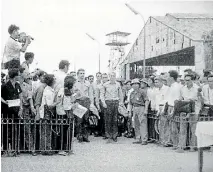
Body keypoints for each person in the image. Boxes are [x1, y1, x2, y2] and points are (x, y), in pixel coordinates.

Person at [176, 74, 200, 153]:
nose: (187, 82)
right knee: (182, 129)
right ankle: (182, 146)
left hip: (194, 111)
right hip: (184, 110)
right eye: (185, 80)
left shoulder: (197, 88)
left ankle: (192, 147)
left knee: (193, 130)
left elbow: (198, 100)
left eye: (188, 80)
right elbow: (181, 98)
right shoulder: (182, 89)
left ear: (192, 80)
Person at [1, 69, 23, 156]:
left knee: (15, 129)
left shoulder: (17, 85)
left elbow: (20, 96)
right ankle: (5, 149)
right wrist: (4, 102)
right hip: (7, 110)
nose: (19, 76)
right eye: (18, 74)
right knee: (6, 130)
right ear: (15, 76)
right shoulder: (5, 86)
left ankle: (14, 148)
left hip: (16, 110)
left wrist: (21, 108)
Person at [55, 75, 77, 156]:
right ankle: (61, 149)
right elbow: (65, 104)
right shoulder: (64, 91)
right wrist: (73, 105)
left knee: (67, 132)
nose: (75, 86)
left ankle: (67, 148)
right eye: (74, 84)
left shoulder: (68, 91)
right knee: (62, 132)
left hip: (65, 113)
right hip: (63, 113)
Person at [39, 74, 60, 155]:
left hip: (46, 113)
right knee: (46, 131)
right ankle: (45, 149)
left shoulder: (50, 89)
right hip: (46, 113)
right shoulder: (48, 91)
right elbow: (49, 105)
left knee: (46, 131)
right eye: (54, 79)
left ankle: (45, 148)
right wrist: (57, 102)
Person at [100, 72, 123, 143]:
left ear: (115, 77)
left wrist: (121, 103)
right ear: (109, 77)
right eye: (111, 76)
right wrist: (103, 103)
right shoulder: (105, 85)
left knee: (115, 120)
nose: (112, 77)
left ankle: (114, 135)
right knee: (108, 120)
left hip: (115, 102)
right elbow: (102, 94)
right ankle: (109, 136)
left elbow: (120, 94)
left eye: (113, 76)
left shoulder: (118, 84)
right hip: (108, 102)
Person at [73, 68, 94, 142]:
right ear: (77, 74)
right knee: (79, 120)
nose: (82, 75)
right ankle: (79, 136)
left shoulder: (88, 83)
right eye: (80, 73)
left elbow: (91, 94)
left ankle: (85, 136)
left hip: (86, 101)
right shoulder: (75, 83)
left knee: (86, 119)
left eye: (83, 73)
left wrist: (91, 103)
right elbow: (73, 94)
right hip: (78, 101)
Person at [19, 73, 37, 156]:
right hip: (19, 109)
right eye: (28, 78)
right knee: (20, 129)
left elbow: (30, 98)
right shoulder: (16, 86)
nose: (30, 79)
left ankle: (31, 148)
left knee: (28, 129)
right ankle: (21, 148)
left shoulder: (27, 86)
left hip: (26, 109)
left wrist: (32, 107)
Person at [129, 79, 149, 145]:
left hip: (141, 107)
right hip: (135, 108)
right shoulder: (131, 93)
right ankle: (138, 138)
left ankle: (144, 139)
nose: (135, 85)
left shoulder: (142, 92)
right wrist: (130, 112)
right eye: (133, 84)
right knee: (136, 124)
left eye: (136, 84)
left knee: (142, 123)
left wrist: (146, 109)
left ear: (139, 85)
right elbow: (130, 103)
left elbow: (146, 100)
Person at [166, 70, 182, 150]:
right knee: (172, 127)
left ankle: (177, 144)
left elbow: (176, 100)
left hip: (174, 108)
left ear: (171, 77)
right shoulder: (172, 86)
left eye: (168, 76)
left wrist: (172, 110)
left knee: (175, 127)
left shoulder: (176, 87)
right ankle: (175, 143)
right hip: (171, 107)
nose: (167, 78)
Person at [154, 76, 170, 146]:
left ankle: (166, 141)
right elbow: (157, 101)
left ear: (161, 82)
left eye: (157, 82)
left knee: (166, 126)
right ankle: (162, 140)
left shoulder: (167, 89)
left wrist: (163, 110)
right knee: (160, 125)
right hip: (159, 109)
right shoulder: (156, 90)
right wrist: (158, 110)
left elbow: (167, 100)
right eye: (155, 82)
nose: (155, 83)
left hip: (165, 109)